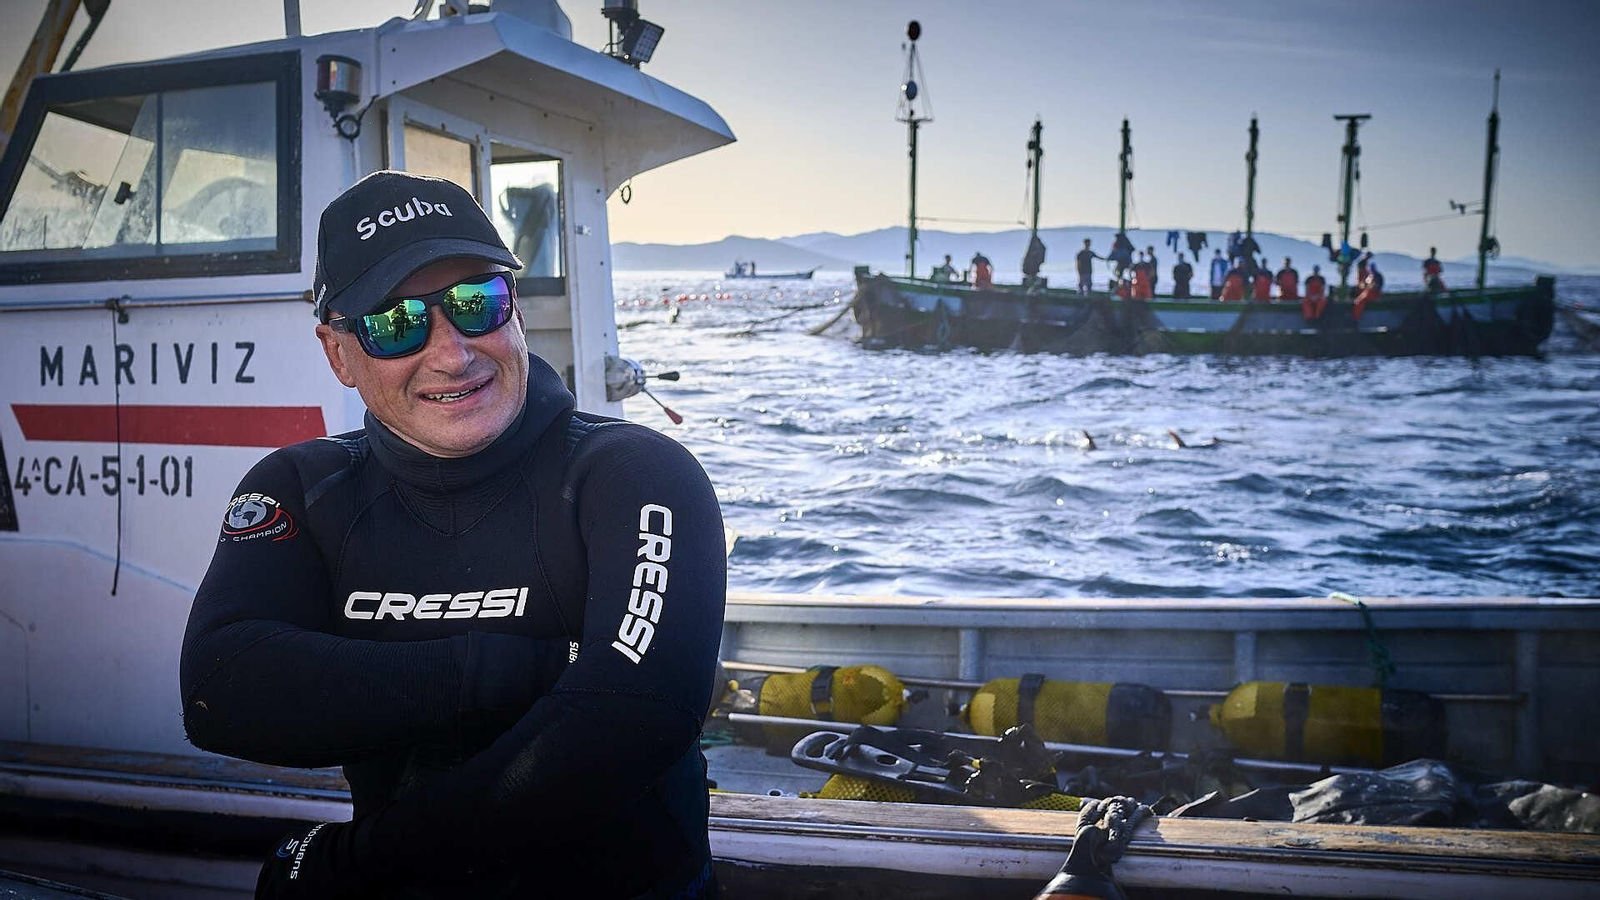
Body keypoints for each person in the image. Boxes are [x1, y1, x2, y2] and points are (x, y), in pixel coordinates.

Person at [180, 171, 725, 898]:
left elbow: (633, 715)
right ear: (338, 353)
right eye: (394, 322)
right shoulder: (303, 489)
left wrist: (357, 863)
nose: (452, 352)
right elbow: (222, 693)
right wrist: (527, 669)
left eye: (476, 304)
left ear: (517, 313)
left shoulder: (633, 473)